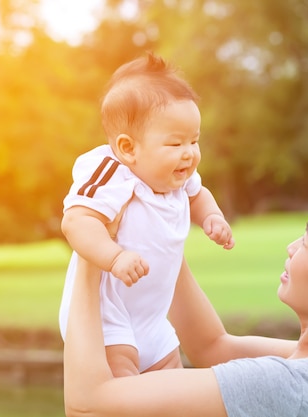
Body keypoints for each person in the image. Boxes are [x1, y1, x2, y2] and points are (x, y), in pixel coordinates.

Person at [63, 129, 308, 417]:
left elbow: (90, 402)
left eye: (306, 240)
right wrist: (161, 225)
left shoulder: (282, 387)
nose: (291, 248)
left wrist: (91, 254)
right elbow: (212, 347)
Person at [59, 52, 235, 377]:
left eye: (194, 140)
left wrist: (212, 217)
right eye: (175, 144)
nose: (189, 153)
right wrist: (114, 258)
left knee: (171, 395)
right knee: (129, 399)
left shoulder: (175, 179)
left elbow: (198, 195)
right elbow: (77, 221)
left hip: (153, 319)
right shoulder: (112, 172)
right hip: (108, 318)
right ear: (128, 148)